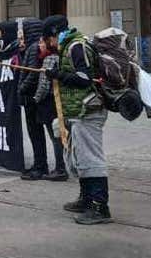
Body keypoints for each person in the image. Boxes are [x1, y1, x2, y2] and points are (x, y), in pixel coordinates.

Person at [43, 15, 111, 224]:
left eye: (48, 39)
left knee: (91, 158)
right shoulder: (70, 47)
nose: (48, 44)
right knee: (80, 158)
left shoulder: (76, 47)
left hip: (88, 112)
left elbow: (84, 79)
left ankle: (100, 207)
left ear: (54, 35)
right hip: (78, 112)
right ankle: (86, 199)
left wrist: (58, 75)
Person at [18, 18, 67, 181]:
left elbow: (34, 74)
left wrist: (22, 90)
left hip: (38, 100)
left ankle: (47, 166)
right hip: (40, 99)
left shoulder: (35, 49)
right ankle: (50, 166)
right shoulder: (40, 48)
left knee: (46, 135)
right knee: (51, 134)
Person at [32, 36, 67, 180]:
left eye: (41, 42)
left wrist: (36, 98)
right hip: (56, 101)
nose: (39, 45)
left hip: (49, 103)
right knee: (59, 135)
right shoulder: (59, 57)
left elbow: (44, 84)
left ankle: (60, 168)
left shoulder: (49, 59)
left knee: (55, 137)